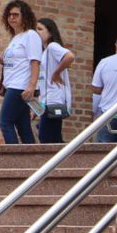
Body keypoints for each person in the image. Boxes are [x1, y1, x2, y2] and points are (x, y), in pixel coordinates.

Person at [0, 0, 41, 144]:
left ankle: (13, 157)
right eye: (9, 15)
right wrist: (0, 60)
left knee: (5, 122)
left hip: (20, 86)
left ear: (24, 16)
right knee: (23, 126)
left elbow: (34, 61)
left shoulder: (31, 35)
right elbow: (17, 61)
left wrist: (31, 86)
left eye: (15, 14)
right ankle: (31, 159)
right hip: (11, 85)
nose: (12, 17)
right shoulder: (15, 39)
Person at [34, 17, 75, 145]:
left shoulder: (52, 46)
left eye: (40, 29)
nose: (37, 32)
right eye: (35, 29)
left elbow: (69, 56)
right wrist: (38, 110)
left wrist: (56, 73)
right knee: (53, 137)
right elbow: (43, 84)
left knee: (46, 137)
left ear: (50, 32)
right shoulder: (43, 52)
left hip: (55, 100)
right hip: (47, 101)